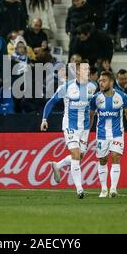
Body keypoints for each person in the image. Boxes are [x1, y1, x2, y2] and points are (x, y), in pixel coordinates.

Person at [40, 61, 97, 199]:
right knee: (76, 155)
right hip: (70, 126)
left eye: (88, 69)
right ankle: (79, 189)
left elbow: (94, 105)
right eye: (85, 69)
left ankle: (57, 165)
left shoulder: (92, 87)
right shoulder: (66, 87)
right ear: (77, 71)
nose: (87, 72)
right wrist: (44, 120)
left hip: (84, 127)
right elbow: (51, 102)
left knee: (79, 156)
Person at [89, 71, 127, 198]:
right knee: (103, 160)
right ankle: (104, 189)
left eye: (104, 80)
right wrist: (85, 132)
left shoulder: (122, 96)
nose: (101, 83)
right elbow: (91, 116)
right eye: (100, 80)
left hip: (117, 134)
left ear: (111, 82)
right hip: (101, 135)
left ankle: (113, 188)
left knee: (116, 157)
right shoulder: (96, 98)